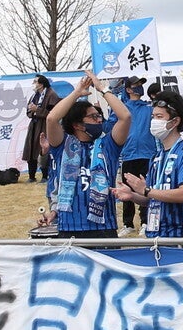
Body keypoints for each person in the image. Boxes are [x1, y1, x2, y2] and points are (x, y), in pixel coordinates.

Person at [42, 72, 132, 239]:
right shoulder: (63, 145)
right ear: (78, 125)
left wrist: (102, 89)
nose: (99, 120)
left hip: (104, 227)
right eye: (93, 116)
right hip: (69, 227)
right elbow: (51, 119)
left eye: (99, 116)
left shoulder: (108, 145)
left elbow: (125, 117)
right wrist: (77, 93)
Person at [115, 88, 183, 238]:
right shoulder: (157, 157)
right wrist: (132, 195)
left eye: (159, 117)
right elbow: (152, 198)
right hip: (154, 235)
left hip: (179, 236)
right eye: (153, 116)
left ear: (175, 121)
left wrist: (146, 190)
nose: (154, 121)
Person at [117, 79, 156, 231]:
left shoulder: (149, 108)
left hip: (148, 154)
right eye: (136, 85)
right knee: (126, 189)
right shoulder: (122, 108)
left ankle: (145, 221)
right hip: (128, 154)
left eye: (141, 85)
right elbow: (110, 127)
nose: (139, 87)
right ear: (128, 90)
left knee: (145, 188)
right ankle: (128, 224)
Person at [21, 75, 60, 184]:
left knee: (44, 150)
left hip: (45, 125)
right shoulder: (34, 95)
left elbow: (54, 113)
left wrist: (37, 110)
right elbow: (28, 111)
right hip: (34, 125)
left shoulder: (51, 95)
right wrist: (32, 111)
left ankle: (45, 176)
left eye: (35, 82)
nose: (33, 84)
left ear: (41, 84)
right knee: (31, 150)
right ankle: (31, 176)